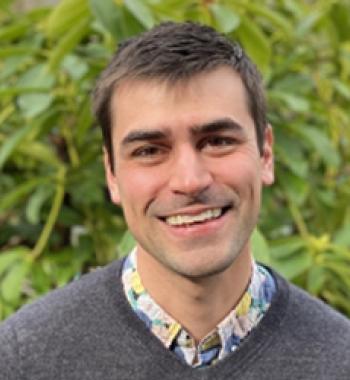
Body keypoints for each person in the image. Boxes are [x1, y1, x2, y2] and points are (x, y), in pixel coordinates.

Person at [1, 22, 350, 380]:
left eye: (217, 141)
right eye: (149, 150)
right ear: (111, 174)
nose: (190, 180)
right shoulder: (24, 360)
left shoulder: (341, 361)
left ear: (265, 154)